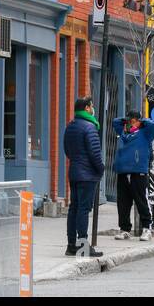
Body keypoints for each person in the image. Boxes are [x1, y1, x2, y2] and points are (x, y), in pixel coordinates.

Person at [63, 96, 104, 257]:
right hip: (87, 175)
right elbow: (95, 153)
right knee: (83, 210)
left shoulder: (70, 126)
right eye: (91, 106)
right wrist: (101, 169)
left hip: (74, 172)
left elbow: (67, 150)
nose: (93, 108)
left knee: (74, 208)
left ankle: (71, 245)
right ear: (87, 108)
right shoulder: (89, 127)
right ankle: (83, 246)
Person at [113, 110, 154, 240]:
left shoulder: (145, 133)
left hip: (138, 172)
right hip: (123, 172)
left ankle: (147, 228)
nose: (132, 123)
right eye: (130, 121)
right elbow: (115, 122)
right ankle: (125, 229)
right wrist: (126, 120)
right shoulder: (124, 133)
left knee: (141, 201)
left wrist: (141, 121)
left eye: (134, 121)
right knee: (123, 203)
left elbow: (153, 125)